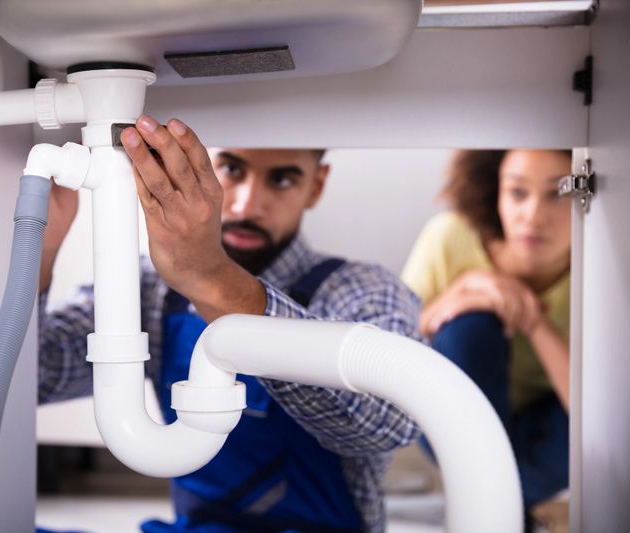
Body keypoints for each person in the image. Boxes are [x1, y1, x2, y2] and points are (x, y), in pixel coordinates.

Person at [38, 115, 424, 533]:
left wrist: (210, 278)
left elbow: (389, 426)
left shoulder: (363, 290)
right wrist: (43, 248)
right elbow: (33, 377)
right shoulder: (151, 289)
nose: (246, 205)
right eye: (232, 170)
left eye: (281, 180)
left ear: (316, 185)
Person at [401, 149, 572, 511]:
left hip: (548, 427)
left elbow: (598, 412)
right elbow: (393, 354)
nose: (533, 216)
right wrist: (466, 289)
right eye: (517, 192)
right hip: (456, 418)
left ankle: (494, 502)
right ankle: (505, 504)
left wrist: (532, 318)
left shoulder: (604, 261)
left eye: (558, 193)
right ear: (495, 191)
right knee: (470, 325)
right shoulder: (449, 237)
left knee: (591, 424)